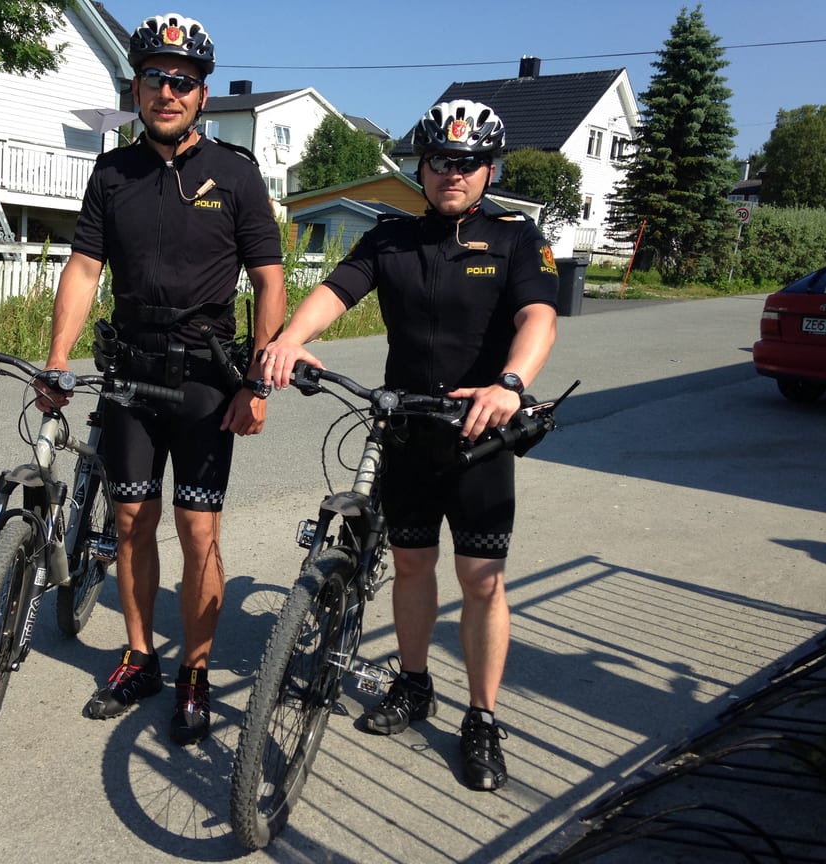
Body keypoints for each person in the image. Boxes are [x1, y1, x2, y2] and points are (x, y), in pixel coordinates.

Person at [261, 99, 558, 790]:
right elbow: (336, 291)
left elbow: (539, 316)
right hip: (406, 430)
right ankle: (414, 683)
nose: (452, 172)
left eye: (467, 162)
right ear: (421, 167)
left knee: (481, 579)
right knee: (413, 565)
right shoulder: (391, 237)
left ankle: (482, 717)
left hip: (480, 434)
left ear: (488, 169)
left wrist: (510, 384)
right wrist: (291, 338)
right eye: (439, 160)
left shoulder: (515, 238)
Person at [40, 12, 285, 747]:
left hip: (207, 380)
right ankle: (140, 657)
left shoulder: (236, 174)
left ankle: (195, 673)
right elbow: (84, 268)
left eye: (183, 81)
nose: (168, 91)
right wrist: (58, 359)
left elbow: (269, 281)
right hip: (130, 373)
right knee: (129, 522)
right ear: (137, 88)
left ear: (203, 94)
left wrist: (257, 383)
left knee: (198, 530)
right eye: (155, 77)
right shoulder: (112, 173)